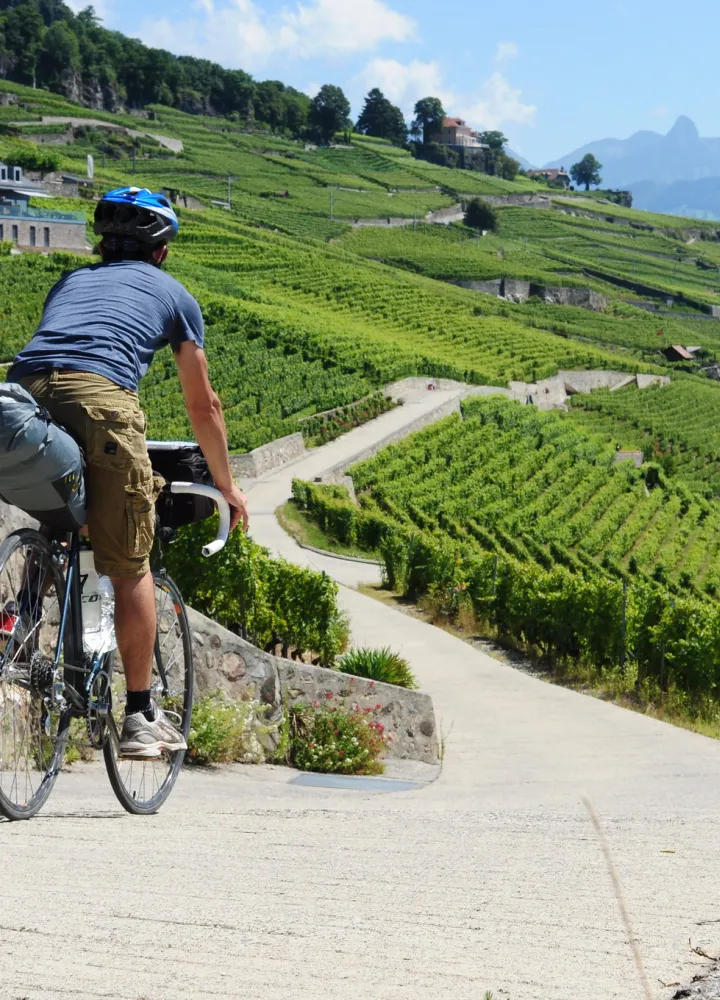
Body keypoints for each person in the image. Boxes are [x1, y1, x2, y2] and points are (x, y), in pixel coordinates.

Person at [7, 186, 249, 759]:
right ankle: (140, 715)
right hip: (101, 401)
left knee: (60, 513)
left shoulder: (69, 283)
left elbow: (58, 357)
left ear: (102, 242)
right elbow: (203, 405)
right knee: (130, 564)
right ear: (162, 251)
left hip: (18, 395)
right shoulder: (174, 294)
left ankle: (19, 628)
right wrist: (228, 485)